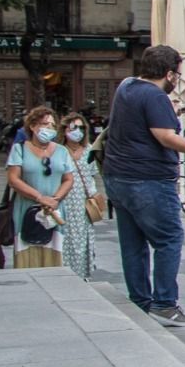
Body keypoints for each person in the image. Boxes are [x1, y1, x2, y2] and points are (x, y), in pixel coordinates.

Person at [104, 46, 185, 326]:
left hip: (118, 178)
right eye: (177, 74)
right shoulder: (155, 95)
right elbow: (166, 137)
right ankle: (164, 304)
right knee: (169, 238)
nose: (177, 80)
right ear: (168, 73)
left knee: (133, 243)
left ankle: (139, 300)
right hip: (148, 179)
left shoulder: (126, 87)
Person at [5, 106, 76, 269]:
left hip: (54, 210)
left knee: (54, 253)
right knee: (27, 255)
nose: (49, 129)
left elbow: (68, 179)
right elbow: (13, 179)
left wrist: (55, 198)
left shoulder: (62, 151)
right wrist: (39, 197)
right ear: (33, 126)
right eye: (44, 124)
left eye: (52, 125)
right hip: (27, 209)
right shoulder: (20, 149)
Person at [58, 112, 101, 280]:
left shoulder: (88, 150)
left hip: (83, 202)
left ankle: (82, 273)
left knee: (82, 240)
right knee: (65, 238)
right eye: (74, 127)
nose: (78, 131)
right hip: (64, 199)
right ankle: (65, 272)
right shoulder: (59, 150)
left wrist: (94, 196)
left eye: (81, 128)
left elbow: (91, 176)